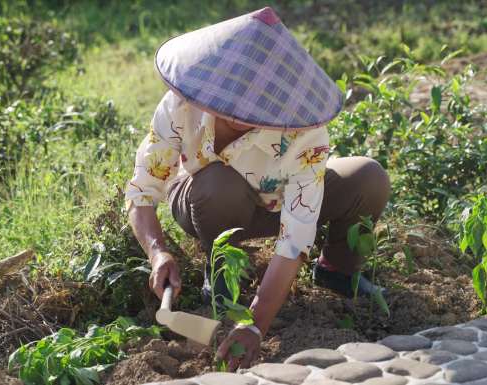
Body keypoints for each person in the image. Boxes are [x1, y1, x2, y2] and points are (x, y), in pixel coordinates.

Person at [125, 7, 391, 371]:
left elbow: (295, 238)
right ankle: (221, 270)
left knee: (369, 177)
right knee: (219, 184)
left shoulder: (304, 133)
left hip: (276, 203)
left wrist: (255, 324)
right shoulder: (182, 104)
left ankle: (337, 272)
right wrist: (158, 252)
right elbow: (143, 189)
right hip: (204, 200)